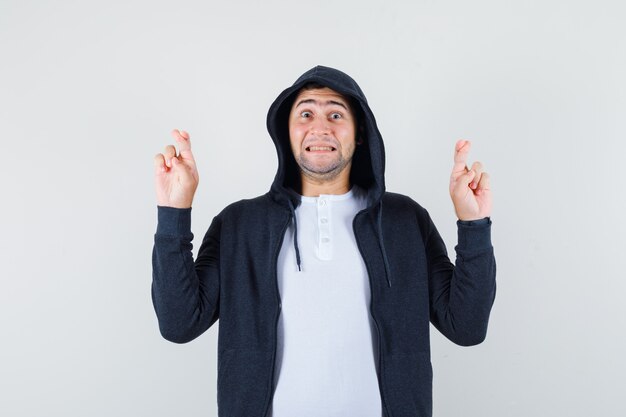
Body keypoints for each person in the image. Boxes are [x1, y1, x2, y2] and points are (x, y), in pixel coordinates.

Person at [151, 65, 496, 417]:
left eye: (335, 113)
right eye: (306, 113)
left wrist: (473, 224)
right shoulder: (239, 224)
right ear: (286, 131)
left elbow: (466, 327)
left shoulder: (405, 220)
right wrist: (173, 211)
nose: (320, 127)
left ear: (359, 133)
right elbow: (180, 323)